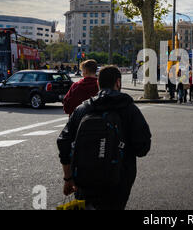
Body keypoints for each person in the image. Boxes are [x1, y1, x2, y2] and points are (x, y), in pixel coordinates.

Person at [57, 66, 151, 210]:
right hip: (119, 180)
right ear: (118, 83)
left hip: (84, 179)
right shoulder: (129, 109)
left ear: (98, 84)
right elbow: (142, 148)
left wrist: (68, 178)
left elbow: (63, 141)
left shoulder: (83, 109)